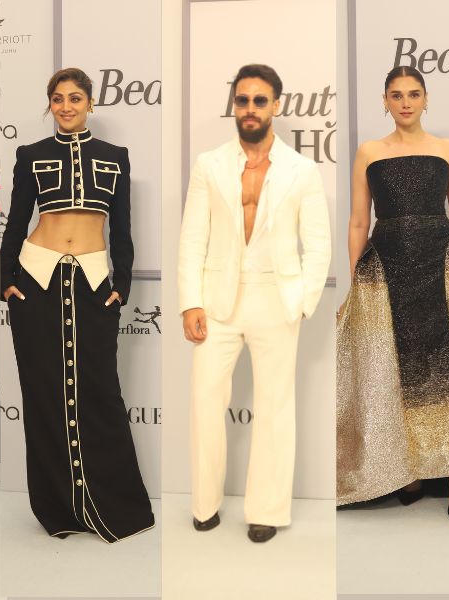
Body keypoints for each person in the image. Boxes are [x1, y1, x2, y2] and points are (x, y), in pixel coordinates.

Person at [0, 67, 154, 543]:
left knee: (101, 390)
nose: (66, 106)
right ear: (50, 104)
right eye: (58, 98)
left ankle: (111, 502)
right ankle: (58, 508)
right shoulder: (31, 155)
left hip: (92, 282)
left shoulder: (115, 157)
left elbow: (122, 229)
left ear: (90, 103)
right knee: (43, 392)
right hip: (36, 280)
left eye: (75, 98)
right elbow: (16, 222)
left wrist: (121, 285)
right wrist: (7, 282)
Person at [178, 64, 331, 543]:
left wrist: (300, 301)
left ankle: (266, 510)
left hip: (275, 298)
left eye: (259, 100)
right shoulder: (209, 164)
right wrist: (190, 302)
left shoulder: (302, 171)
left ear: (276, 105)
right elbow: (193, 237)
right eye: (242, 100)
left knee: (274, 407)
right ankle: (204, 505)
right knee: (205, 402)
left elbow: (318, 244)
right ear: (234, 105)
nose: (250, 109)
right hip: (217, 300)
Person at [336, 66, 449, 521]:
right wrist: (356, 282)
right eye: (396, 95)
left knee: (446, 368)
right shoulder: (369, 152)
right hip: (388, 265)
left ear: (426, 99)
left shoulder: (448, 149)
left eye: (413, 94)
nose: (405, 102)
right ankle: (409, 470)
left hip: (442, 263)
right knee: (398, 368)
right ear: (384, 101)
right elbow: (358, 222)